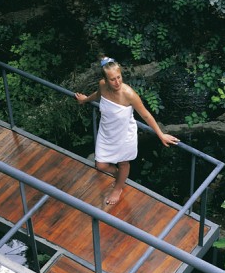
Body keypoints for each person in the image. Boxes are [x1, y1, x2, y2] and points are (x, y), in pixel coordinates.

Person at [74, 56, 179, 207]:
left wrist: (160, 134)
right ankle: (120, 178)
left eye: (119, 77)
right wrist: (85, 100)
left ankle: (118, 188)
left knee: (123, 163)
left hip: (124, 135)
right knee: (101, 165)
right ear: (105, 79)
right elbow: (98, 95)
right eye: (112, 79)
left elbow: (146, 115)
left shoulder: (129, 94)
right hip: (106, 132)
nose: (117, 82)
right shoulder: (102, 85)